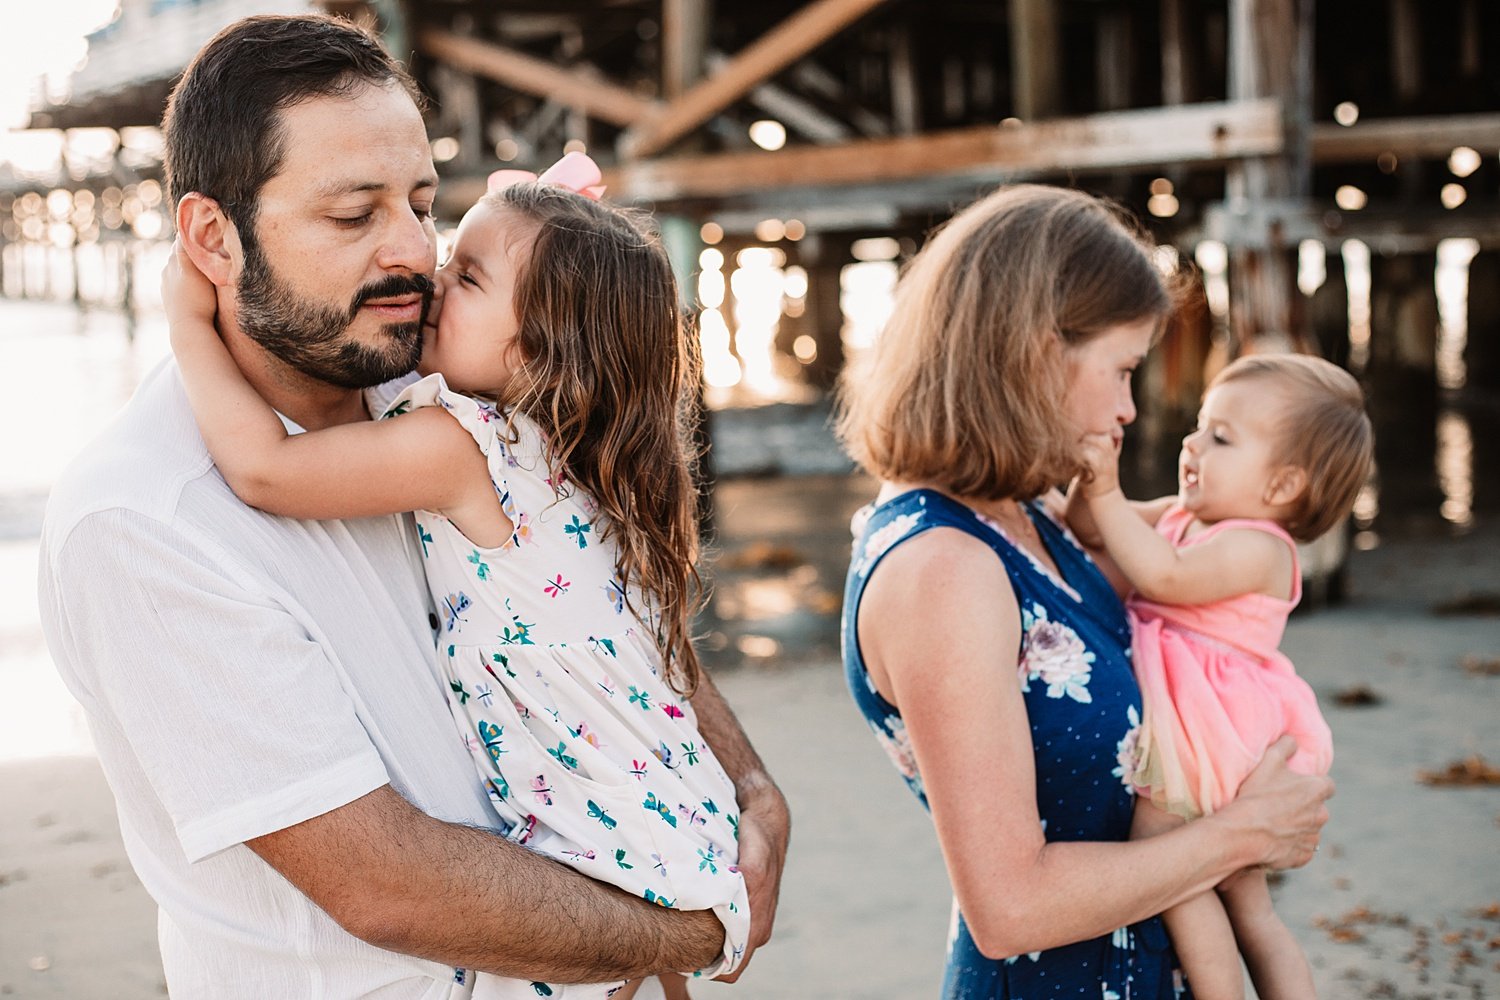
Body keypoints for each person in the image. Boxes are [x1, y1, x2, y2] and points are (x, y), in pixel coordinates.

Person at [37, 15, 787, 999]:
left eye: (422, 202)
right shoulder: (145, 523)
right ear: (212, 239)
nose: (414, 252)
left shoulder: (442, 394)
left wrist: (751, 784)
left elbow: (608, 614)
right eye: (355, 216)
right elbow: (385, 882)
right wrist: (687, 931)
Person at [162, 150, 747, 1000]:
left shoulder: (462, 446)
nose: (433, 277)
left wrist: (188, 326)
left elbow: (265, 471)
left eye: (467, 279)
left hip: (587, 799)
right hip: (654, 783)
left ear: (542, 347)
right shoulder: (575, 446)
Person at [835, 184, 1333, 999]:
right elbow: (1009, 905)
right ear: (1035, 351)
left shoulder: (1026, 516)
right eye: (1124, 370)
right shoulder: (944, 570)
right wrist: (1244, 835)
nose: (1134, 409)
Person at [1066, 353, 1372, 1000]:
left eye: (1221, 437)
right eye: (1201, 425)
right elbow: (1089, 529)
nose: (1191, 441)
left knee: (1178, 873)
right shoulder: (1184, 514)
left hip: (1213, 726)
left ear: (1283, 486)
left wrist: (1108, 493)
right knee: (1240, 895)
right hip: (1195, 716)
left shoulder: (1260, 547)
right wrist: (1089, 479)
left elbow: (1164, 577)